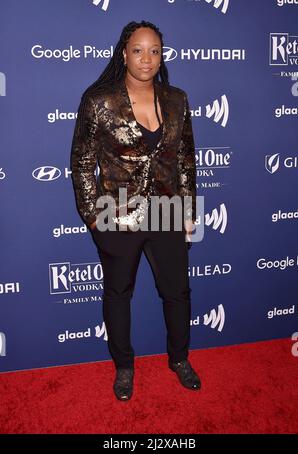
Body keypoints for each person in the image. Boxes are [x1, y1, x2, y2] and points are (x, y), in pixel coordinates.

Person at [70, 20, 201, 401]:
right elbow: (81, 163)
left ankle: (179, 359)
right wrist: (93, 216)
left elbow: (186, 160)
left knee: (177, 293)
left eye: (155, 50)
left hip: (168, 210)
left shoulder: (177, 98)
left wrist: (188, 209)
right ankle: (124, 366)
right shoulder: (98, 100)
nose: (147, 58)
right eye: (139, 50)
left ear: (163, 55)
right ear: (124, 53)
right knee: (118, 293)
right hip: (116, 212)